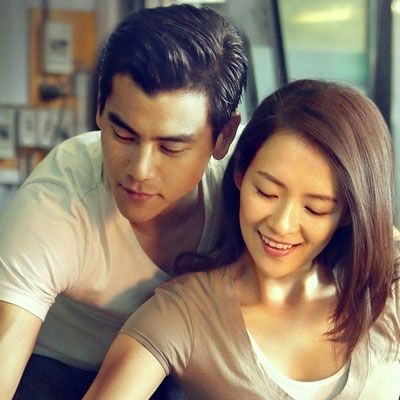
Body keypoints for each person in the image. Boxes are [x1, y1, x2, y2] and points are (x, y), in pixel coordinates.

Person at [84, 79, 400, 400]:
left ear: (348, 213)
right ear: (240, 174)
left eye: (315, 209)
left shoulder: (389, 288)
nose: (282, 224)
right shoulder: (187, 313)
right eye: (266, 192)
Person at [0, 4, 247, 399]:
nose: (140, 170)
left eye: (170, 148)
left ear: (224, 137)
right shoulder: (57, 202)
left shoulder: (249, 187)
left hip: (175, 368)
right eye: (124, 136)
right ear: (100, 107)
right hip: (53, 368)